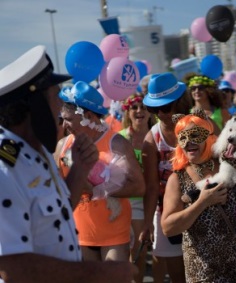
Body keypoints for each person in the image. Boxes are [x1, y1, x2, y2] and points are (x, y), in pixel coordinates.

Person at [0, 45, 135, 282]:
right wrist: (98, 273)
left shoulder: (37, 151)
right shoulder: (5, 169)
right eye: (55, 99)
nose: (61, 114)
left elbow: (61, 208)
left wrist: (79, 170)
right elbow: (10, 267)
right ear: (35, 106)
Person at [161, 109, 236, 282]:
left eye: (195, 135)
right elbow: (168, 227)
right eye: (183, 138)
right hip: (204, 272)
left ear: (208, 137)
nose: (189, 143)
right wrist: (202, 202)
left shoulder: (228, 162)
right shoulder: (177, 179)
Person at [57, 81, 145, 263]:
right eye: (63, 119)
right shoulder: (63, 145)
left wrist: (97, 190)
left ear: (88, 116)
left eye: (69, 119)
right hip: (80, 233)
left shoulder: (117, 143)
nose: (64, 125)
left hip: (114, 233)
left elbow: (139, 187)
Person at [141, 72, 191, 283]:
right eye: (154, 108)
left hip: (201, 208)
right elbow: (152, 186)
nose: (161, 113)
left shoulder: (198, 126)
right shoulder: (152, 139)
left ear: (179, 103)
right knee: (178, 275)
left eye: (166, 107)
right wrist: (147, 222)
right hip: (168, 213)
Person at [120, 93, 155, 283]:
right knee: (128, 251)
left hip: (152, 200)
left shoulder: (156, 135)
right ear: (128, 112)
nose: (139, 111)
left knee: (141, 252)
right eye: (134, 107)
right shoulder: (120, 138)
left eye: (143, 107)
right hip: (127, 202)